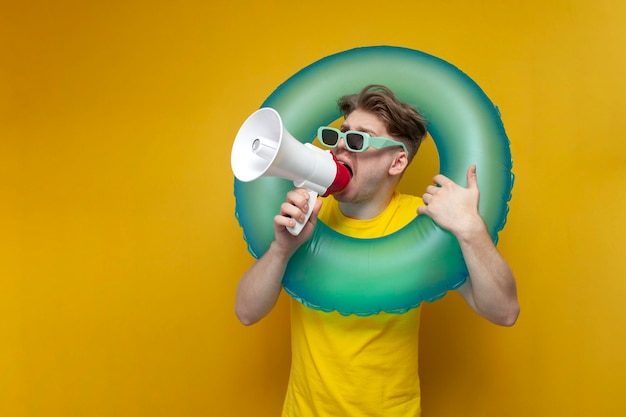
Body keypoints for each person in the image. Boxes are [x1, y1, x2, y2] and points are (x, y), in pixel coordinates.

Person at [235, 85, 520, 417]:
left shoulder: (424, 224)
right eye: (339, 136)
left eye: (359, 140)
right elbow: (246, 312)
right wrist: (281, 250)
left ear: (397, 161)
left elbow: (504, 312)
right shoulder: (309, 212)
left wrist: (470, 228)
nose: (341, 147)